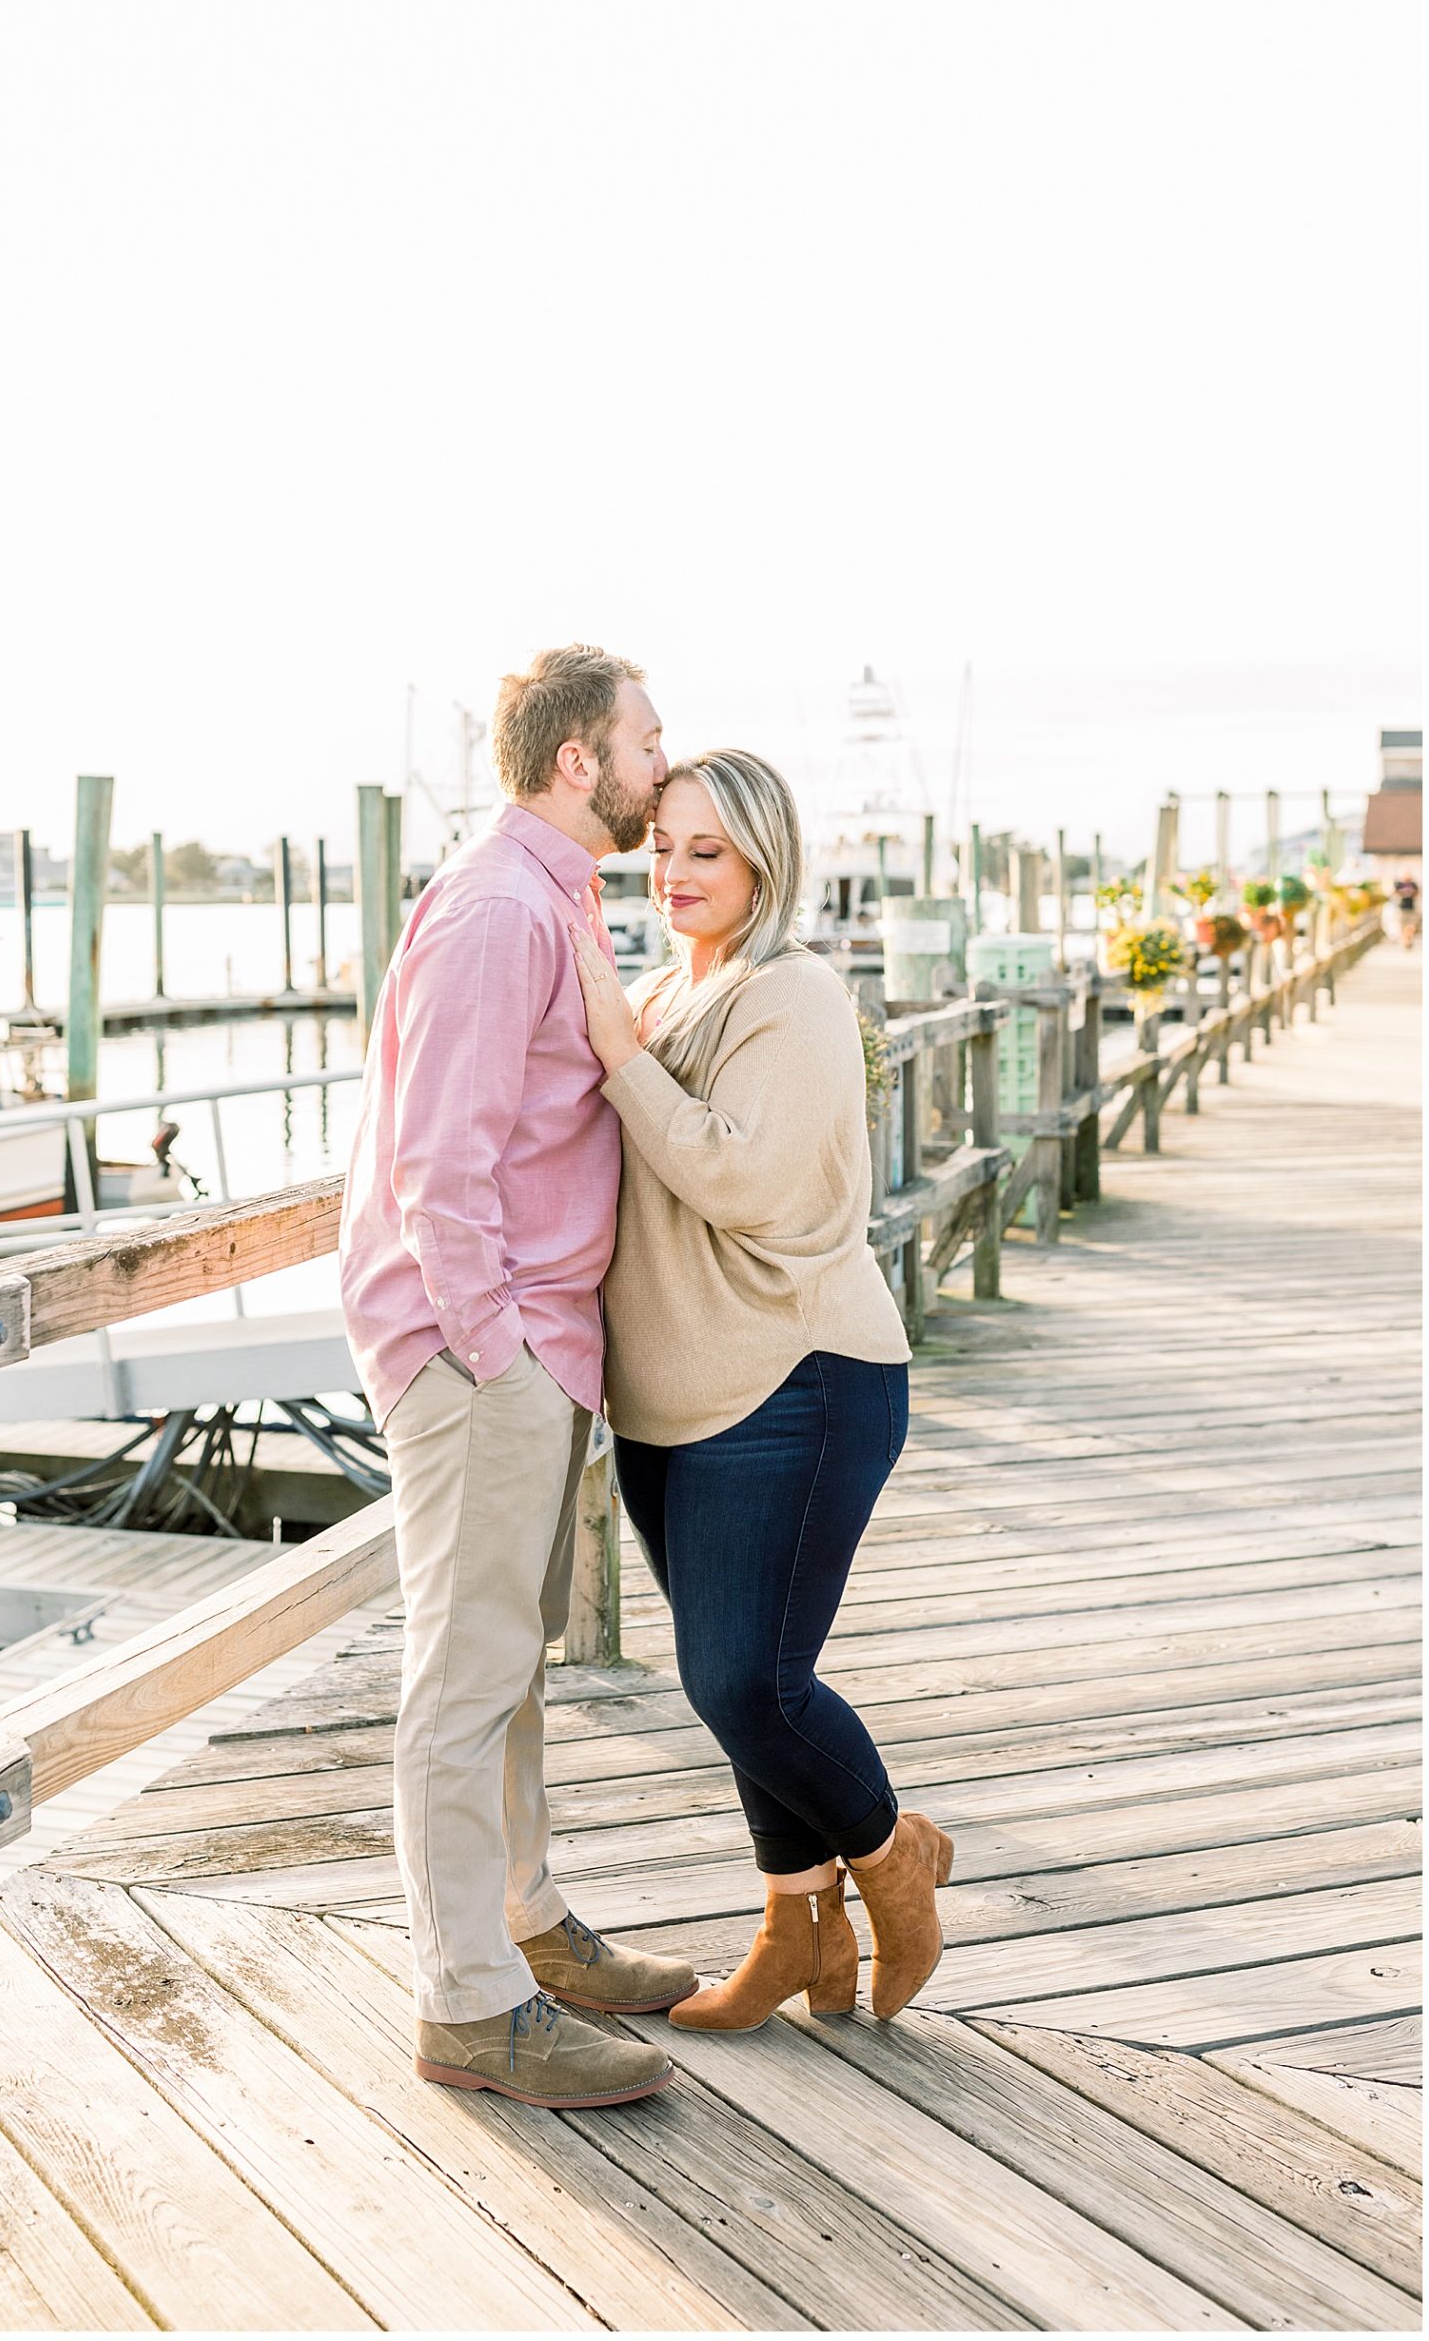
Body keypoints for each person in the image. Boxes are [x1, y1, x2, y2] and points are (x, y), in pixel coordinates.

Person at [339, 644, 693, 2108]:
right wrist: (496, 1355)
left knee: (509, 1673)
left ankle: (528, 1927)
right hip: (488, 1351)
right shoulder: (497, 914)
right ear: (576, 763)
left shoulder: (551, 892)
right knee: (465, 1677)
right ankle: (468, 2003)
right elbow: (439, 1164)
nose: (663, 770)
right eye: (648, 745)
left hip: (533, 1344)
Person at [567, 748, 953, 2031]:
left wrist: (612, 1045)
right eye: (662, 845)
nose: (672, 872)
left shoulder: (791, 992)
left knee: (747, 1685)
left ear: (764, 862)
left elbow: (744, 1179)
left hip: (797, 1377)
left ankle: (897, 1855)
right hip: (672, 1397)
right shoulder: (674, 990)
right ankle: (797, 1926)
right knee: (742, 1680)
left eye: (706, 852)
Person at [1394, 873, 1419, 949]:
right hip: (1402, 908)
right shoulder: (1399, 885)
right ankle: (1406, 942)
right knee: (1403, 927)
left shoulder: (1413, 885)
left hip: (1411, 909)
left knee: (1411, 926)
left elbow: (1417, 893)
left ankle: (1408, 940)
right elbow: (1395, 893)